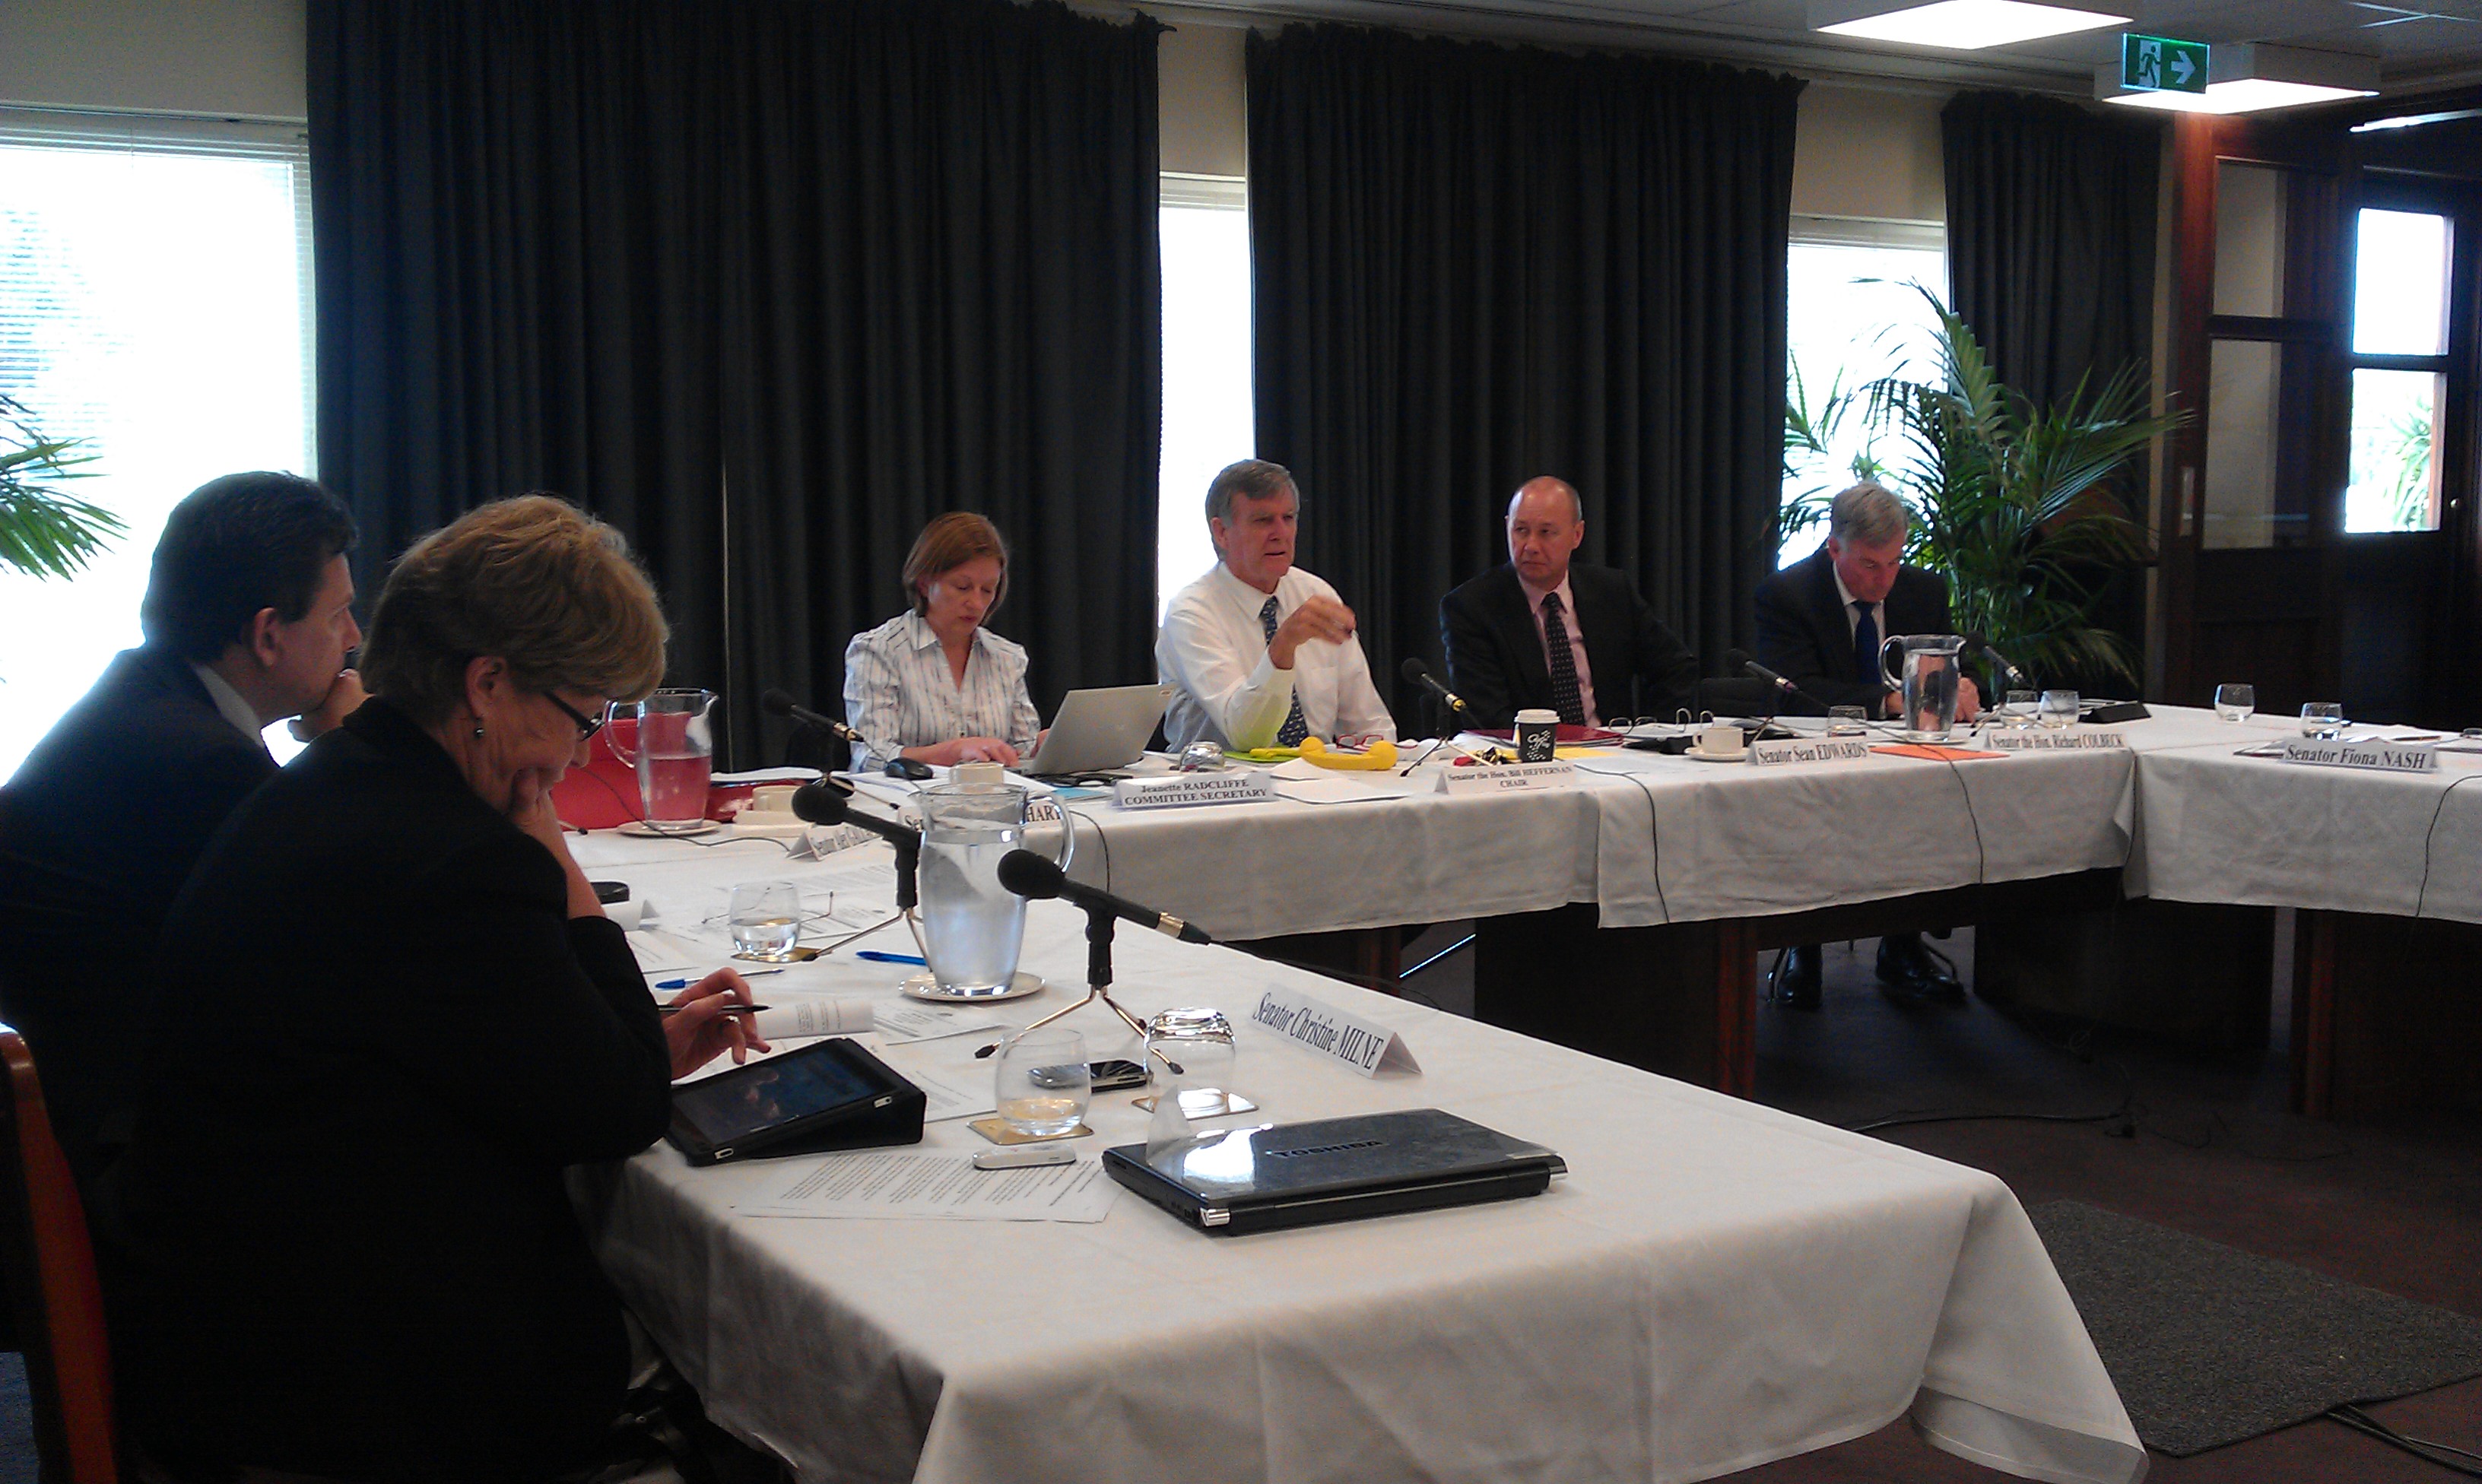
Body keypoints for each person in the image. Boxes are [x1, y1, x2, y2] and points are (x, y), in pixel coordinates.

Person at [96, 495, 766, 1483]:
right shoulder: (446, 859)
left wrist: (611, 1039)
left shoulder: (339, 783)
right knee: (741, 1406)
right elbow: (617, 1104)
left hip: (229, 1323)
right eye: (580, 718)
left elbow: (506, 1048)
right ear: (488, 684)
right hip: (348, 1393)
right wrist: (546, 836)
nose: (580, 754)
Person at [0, 471, 364, 1183]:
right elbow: (346, 939)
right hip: (123, 1158)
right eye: (338, 615)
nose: (353, 640)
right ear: (267, 634)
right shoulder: (195, 761)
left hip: (90, 1108)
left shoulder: (149, 699)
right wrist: (349, 756)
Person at [1750, 479, 1979, 1009]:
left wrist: (1961, 689)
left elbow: (1943, 677)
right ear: (1835, 548)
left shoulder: (1923, 591)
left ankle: (1903, 946)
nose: (1886, 579)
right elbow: (1799, 693)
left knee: (1936, 803)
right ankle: (1802, 950)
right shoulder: (1787, 595)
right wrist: (1892, 701)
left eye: (1895, 562)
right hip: (1815, 755)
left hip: (1906, 759)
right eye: (1871, 565)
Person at [1157, 459, 1396, 752]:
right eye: (1263, 520)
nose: (1280, 532)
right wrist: (1282, 649)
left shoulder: (1316, 593)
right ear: (1221, 533)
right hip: (1222, 784)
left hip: (1319, 780)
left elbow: (1369, 725)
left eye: (1289, 518)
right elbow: (1246, 736)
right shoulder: (1192, 612)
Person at [1438, 476, 1700, 729]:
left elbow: (1676, 667)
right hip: (1529, 761)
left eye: (1546, 533)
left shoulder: (1611, 592)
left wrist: (1649, 733)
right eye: (1521, 531)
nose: (1530, 546)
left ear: (1577, 535)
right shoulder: (1471, 607)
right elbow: (1488, 716)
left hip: (1614, 756)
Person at [843, 511, 1042, 770]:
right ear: (925, 584)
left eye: (988, 590)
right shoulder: (878, 650)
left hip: (991, 800)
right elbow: (870, 757)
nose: (976, 603)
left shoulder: (1007, 657)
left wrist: (1043, 746)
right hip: (905, 805)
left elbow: (1021, 750)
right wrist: (954, 750)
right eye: (962, 587)